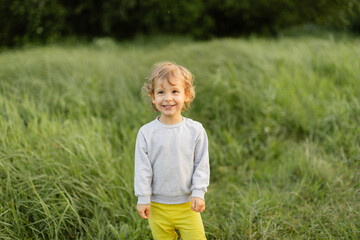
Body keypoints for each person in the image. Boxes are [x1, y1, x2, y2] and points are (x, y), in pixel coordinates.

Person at [134, 62, 210, 239]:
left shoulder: (195, 130)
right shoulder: (146, 133)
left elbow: (201, 164)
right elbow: (142, 169)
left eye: (175, 91)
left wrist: (199, 192)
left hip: (187, 204)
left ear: (187, 95)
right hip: (157, 206)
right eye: (161, 92)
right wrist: (143, 198)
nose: (168, 98)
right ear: (153, 97)